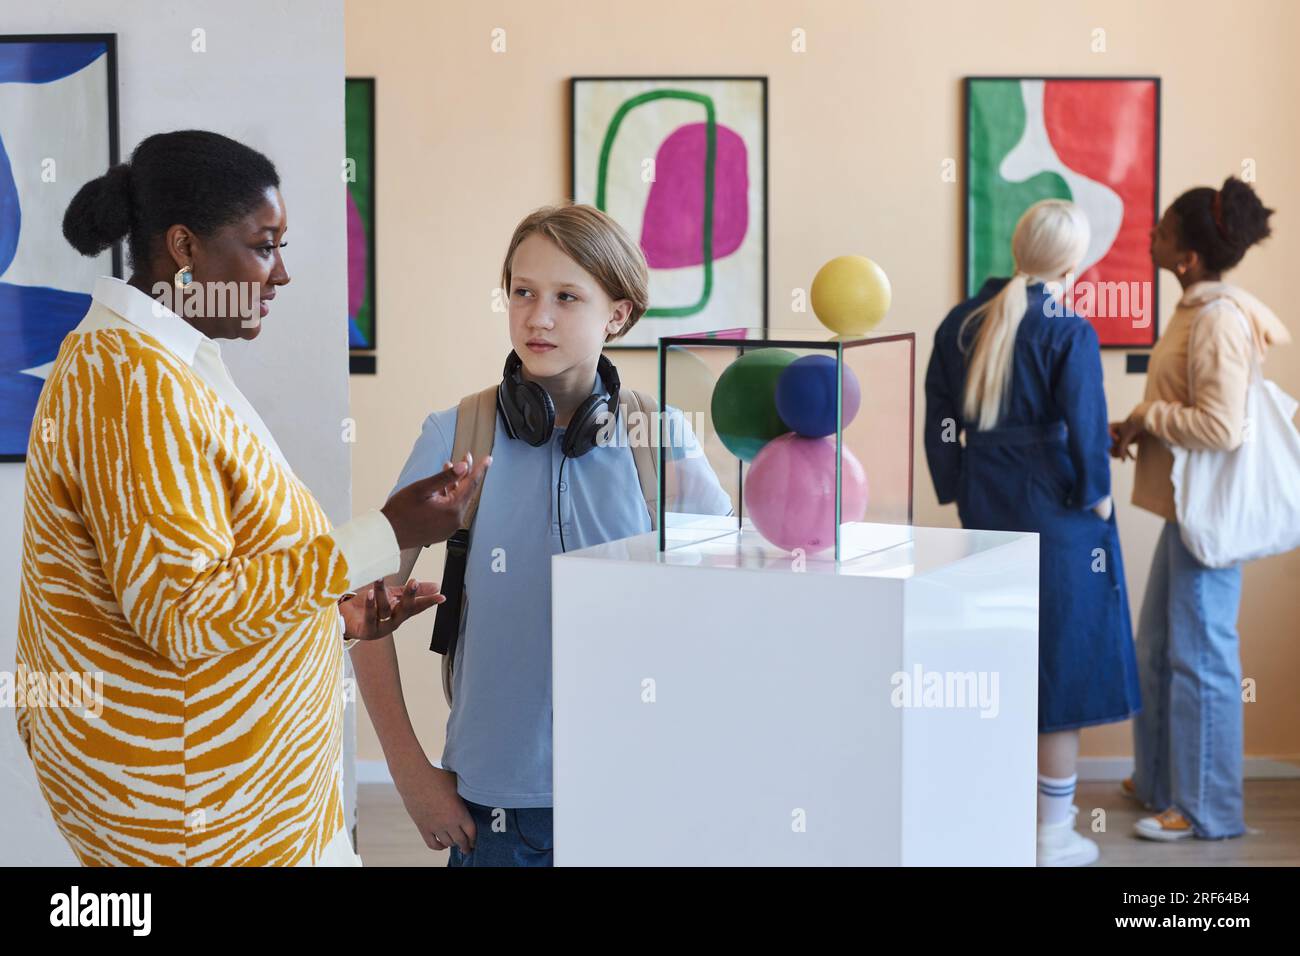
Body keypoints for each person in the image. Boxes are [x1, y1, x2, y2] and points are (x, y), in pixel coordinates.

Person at [15, 129, 484, 866]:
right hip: (203, 817)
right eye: (265, 245)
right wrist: (383, 533)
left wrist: (332, 618)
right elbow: (183, 615)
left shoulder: (172, 366)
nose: (281, 275)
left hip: (246, 800)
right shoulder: (134, 385)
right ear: (185, 248)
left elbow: (206, 588)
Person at [351, 203, 731, 866]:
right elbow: (359, 605)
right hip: (496, 808)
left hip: (637, 798)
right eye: (522, 292)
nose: (538, 316)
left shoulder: (661, 440)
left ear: (618, 314)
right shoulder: (454, 436)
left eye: (567, 297)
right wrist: (409, 773)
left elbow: (731, 608)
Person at [925, 198, 1140, 866]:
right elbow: (1086, 427)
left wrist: (959, 487)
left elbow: (940, 424)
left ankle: (990, 818)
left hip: (985, 514)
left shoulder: (959, 323)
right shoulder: (1068, 329)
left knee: (996, 665)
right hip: (1060, 520)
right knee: (1060, 672)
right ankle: (1050, 834)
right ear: (1074, 261)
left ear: (1018, 247)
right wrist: (1097, 498)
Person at [1111, 177, 1290, 842]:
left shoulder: (1215, 319)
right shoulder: (1197, 308)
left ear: (1184, 257)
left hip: (1209, 515)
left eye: (1160, 230)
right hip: (1188, 508)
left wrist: (1144, 414)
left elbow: (1221, 427)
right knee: (1158, 648)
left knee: (1201, 658)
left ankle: (1206, 807)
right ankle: (1160, 783)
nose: (1150, 236)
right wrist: (1140, 425)